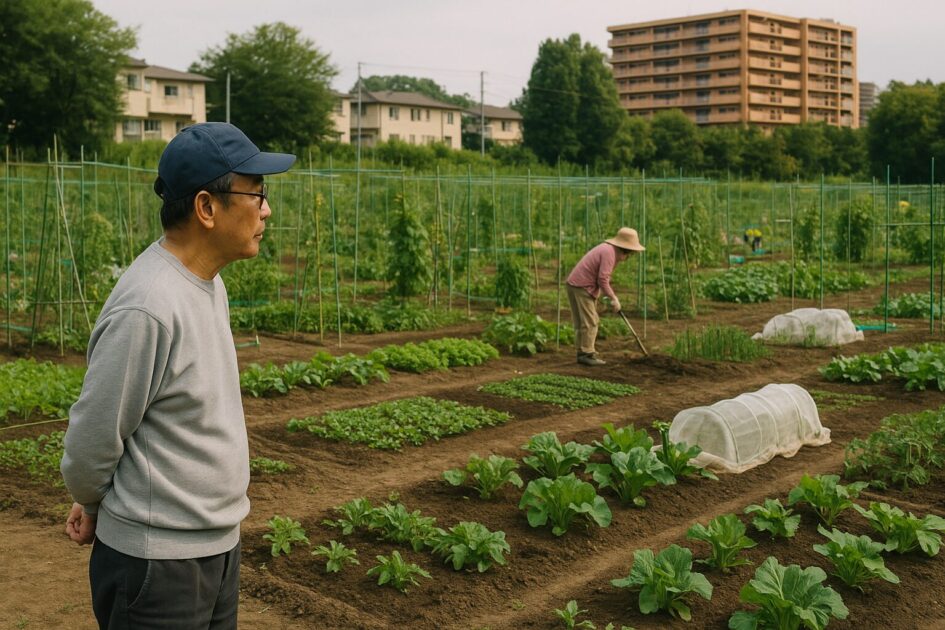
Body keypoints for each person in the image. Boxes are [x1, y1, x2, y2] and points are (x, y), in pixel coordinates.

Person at [60, 122, 295, 629]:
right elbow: (94, 435)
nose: (266, 210)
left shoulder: (208, 283)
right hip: (157, 563)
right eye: (257, 193)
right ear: (206, 208)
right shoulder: (148, 306)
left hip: (216, 545)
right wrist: (91, 501)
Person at [565, 227, 645, 366]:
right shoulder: (609, 253)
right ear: (625, 250)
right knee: (591, 321)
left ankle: (582, 351)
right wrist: (614, 298)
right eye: (630, 254)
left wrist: (606, 296)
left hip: (574, 284)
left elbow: (600, 277)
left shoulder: (607, 249)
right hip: (582, 287)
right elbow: (602, 279)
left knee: (581, 321)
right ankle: (586, 354)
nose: (627, 259)